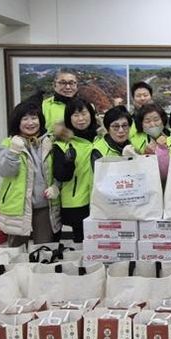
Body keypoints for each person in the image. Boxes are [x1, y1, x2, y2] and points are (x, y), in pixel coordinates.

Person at [0, 99, 61, 247]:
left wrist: (56, 186)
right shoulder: (7, 144)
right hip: (17, 206)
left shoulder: (50, 143)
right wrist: (13, 152)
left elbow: (59, 170)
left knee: (44, 249)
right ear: (17, 122)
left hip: (44, 205)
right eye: (25, 119)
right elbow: (5, 172)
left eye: (34, 118)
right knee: (16, 251)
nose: (30, 123)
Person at [51, 98, 97, 243]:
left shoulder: (101, 139)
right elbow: (60, 175)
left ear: (91, 114)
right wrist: (68, 162)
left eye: (84, 113)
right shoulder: (62, 144)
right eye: (75, 115)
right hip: (77, 203)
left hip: (101, 200)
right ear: (68, 118)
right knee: (81, 244)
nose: (81, 119)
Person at [131, 102, 170, 182]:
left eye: (156, 120)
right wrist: (144, 155)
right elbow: (132, 168)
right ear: (141, 123)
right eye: (147, 121)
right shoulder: (134, 142)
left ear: (163, 120)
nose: (152, 124)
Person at [90, 106, 135, 170]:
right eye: (116, 126)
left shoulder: (133, 146)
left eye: (124, 125)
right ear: (108, 129)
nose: (121, 130)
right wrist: (124, 160)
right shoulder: (98, 150)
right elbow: (100, 175)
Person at [42, 68, 79, 133]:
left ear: (77, 85)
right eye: (63, 83)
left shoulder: (87, 106)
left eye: (71, 83)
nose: (68, 87)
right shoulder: (43, 106)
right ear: (54, 85)